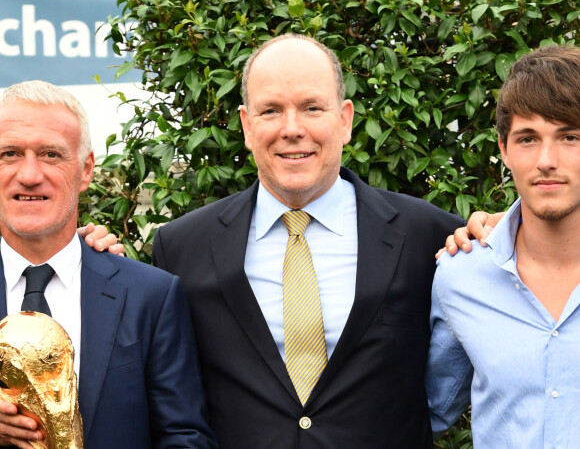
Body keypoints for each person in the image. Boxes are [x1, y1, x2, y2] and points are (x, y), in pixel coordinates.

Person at [153, 33, 468, 448]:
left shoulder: (429, 235)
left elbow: (446, 382)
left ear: (345, 120)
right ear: (247, 127)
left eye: (312, 108)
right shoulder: (181, 246)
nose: (292, 129)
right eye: (271, 110)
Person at [0, 81, 216, 448]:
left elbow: (185, 437)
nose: (30, 174)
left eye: (52, 154)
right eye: (9, 154)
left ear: (85, 170)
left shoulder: (151, 296)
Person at [426, 45, 580, 447]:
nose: (547, 159)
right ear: (503, 150)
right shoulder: (461, 276)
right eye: (528, 138)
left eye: (570, 136)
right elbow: (426, 411)